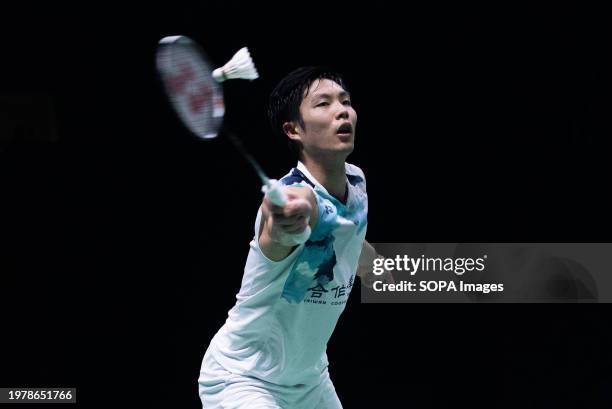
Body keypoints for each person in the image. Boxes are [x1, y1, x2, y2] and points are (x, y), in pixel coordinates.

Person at [198, 66, 384, 408]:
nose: (342, 110)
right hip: (245, 377)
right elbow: (285, 220)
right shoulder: (295, 198)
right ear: (293, 129)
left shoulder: (356, 183)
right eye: (323, 103)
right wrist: (287, 219)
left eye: (345, 101)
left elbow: (353, 250)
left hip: (310, 380)